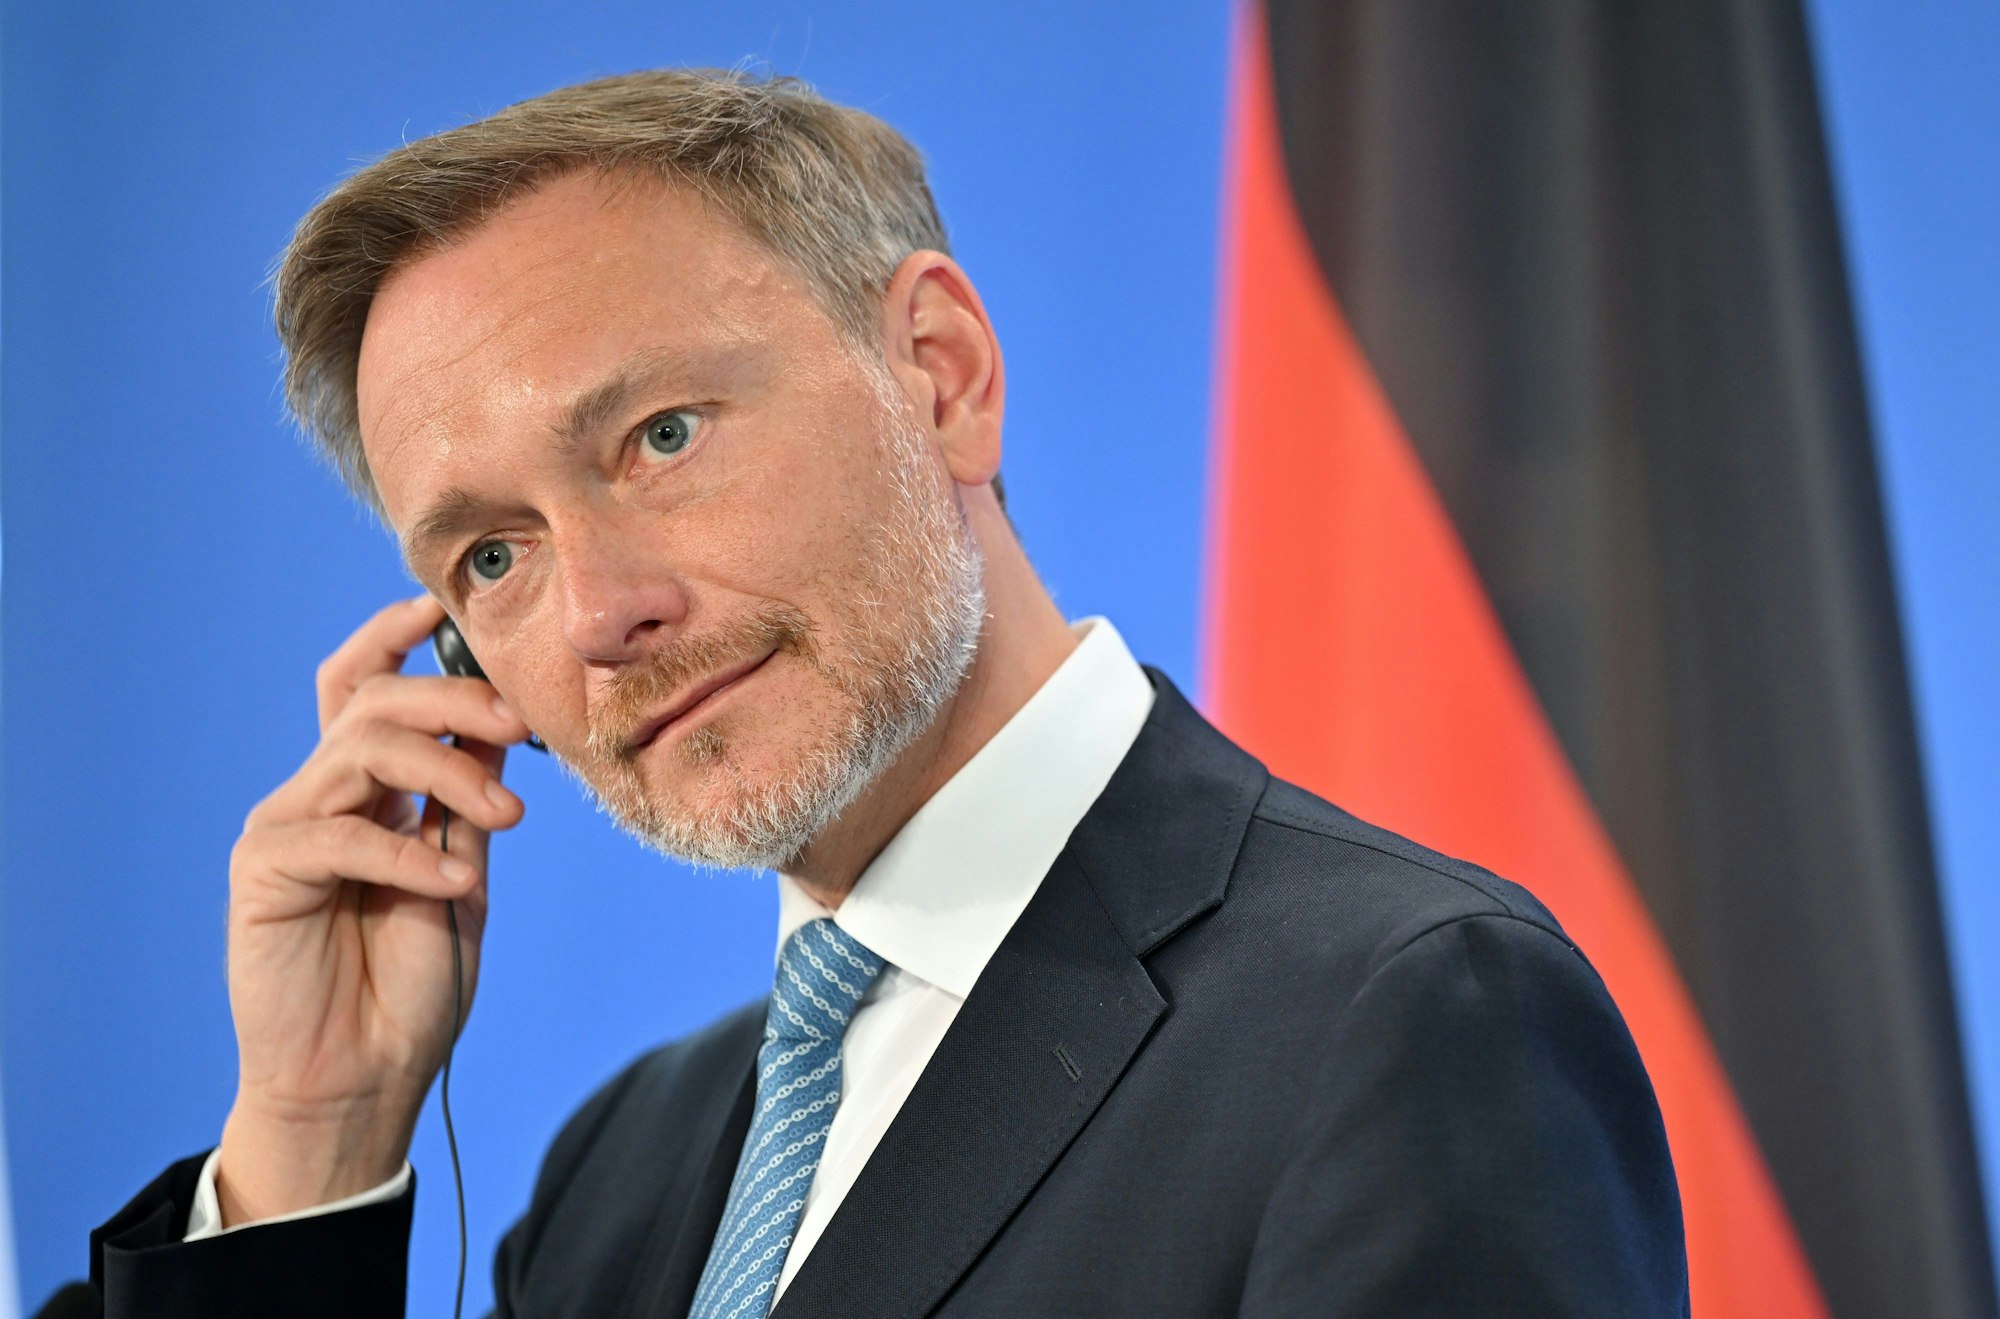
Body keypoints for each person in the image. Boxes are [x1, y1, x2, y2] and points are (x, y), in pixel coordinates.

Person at [65, 68, 1688, 1317]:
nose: (603, 612)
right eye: (492, 557)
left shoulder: (1408, 1019)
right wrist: (311, 1143)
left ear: (941, 376)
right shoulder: (620, 1175)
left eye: (663, 437)